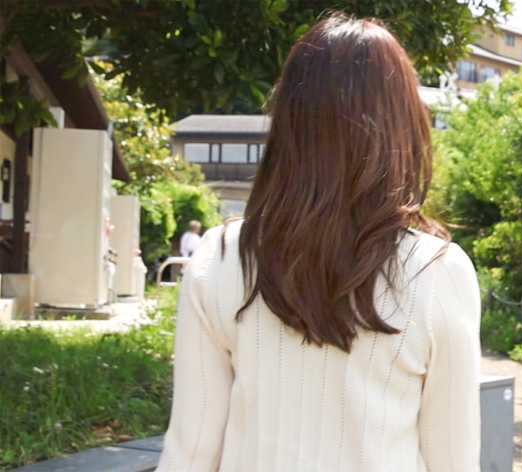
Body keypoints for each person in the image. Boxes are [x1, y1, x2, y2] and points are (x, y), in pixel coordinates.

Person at [155, 14, 482, 472]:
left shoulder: (221, 257)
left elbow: (190, 453)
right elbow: (453, 461)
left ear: (289, 121)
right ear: (404, 126)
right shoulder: (439, 271)